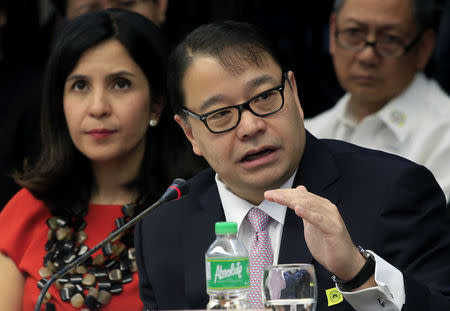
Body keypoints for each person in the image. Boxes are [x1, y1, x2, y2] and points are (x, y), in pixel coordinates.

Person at [134, 20, 450, 311]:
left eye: (265, 97)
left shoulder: (392, 192)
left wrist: (358, 272)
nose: (250, 126)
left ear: (294, 93)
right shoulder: (162, 230)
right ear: (191, 133)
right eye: (220, 115)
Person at [0, 8, 170, 310]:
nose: (98, 107)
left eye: (120, 84)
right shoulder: (25, 212)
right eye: (80, 86)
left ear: (157, 104)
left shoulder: (192, 210)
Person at [303, 0, 450, 202]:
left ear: (424, 46)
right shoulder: (309, 132)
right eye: (354, 33)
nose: (367, 56)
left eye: (390, 38)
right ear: (333, 31)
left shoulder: (443, 139)